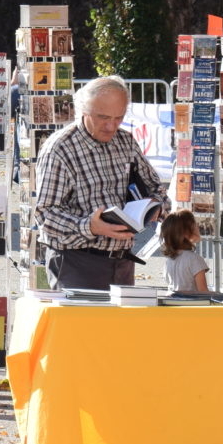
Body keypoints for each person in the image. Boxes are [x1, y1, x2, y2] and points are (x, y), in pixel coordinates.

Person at [33, 75, 168, 291]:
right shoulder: (60, 148)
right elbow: (45, 214)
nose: (111, 126)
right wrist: (90, 226)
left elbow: (156, 187)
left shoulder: (125, 141)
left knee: (120, 326)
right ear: (83, 112)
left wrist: (156, 206)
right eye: (103, 117)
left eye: (119, 117)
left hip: (122, 262)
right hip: (76, 263)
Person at [160, 210, 209, 293]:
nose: (197, 227)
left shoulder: (169, 260)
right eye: (195, 224)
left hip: (172, 302)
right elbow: (203, 292)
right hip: (191, 304)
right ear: (186, 232)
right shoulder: (195, 259)